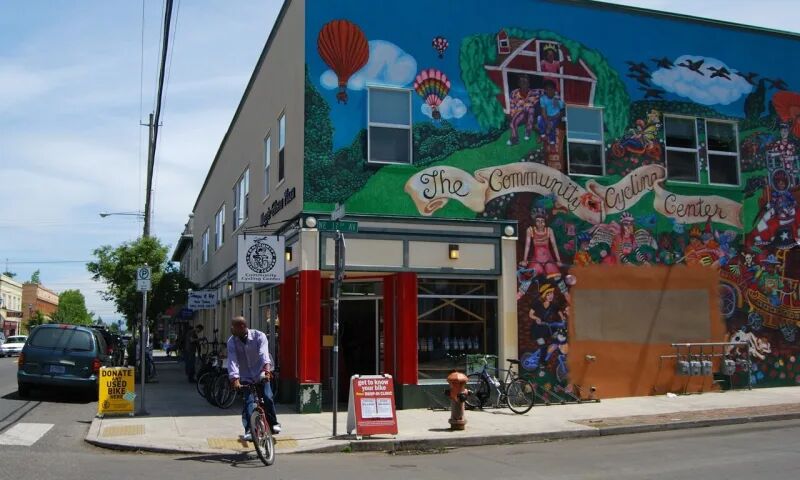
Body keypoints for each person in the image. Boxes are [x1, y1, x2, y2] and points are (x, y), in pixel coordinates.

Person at [228, 316, 281, 440]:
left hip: (261, 373)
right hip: (246, 375)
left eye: (233, 326)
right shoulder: (232, 341)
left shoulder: (259, 336)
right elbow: (232, 360)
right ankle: (248, 430)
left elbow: (264, 354)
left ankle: (273, 423)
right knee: (248, 402)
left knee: (267, 397)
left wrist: (266, 371)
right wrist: (234, 378)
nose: (231, 328)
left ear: (241, 326)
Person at [520, 208, 562, 278]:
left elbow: (554, 246)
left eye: (542, 221)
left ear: (545, 222)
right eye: (538, 221)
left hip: (548, 260)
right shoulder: (530, 230)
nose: (540, 224)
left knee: (556, 277)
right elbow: (527, 245)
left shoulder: (549, 230)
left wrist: (558, 260)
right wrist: (524, 260)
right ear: (534, 222)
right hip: (536, 260)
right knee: (529, 277)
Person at [506, 75, 540, 146]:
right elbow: (512, 104)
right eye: (521, 82)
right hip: (520, 113)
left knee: (530, 108)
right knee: (512, 123)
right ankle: (515, 138)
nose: (524, 84)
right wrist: (511, 114)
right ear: (518, 84)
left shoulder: (535, 92)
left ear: (529, 84)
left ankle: (528, 131)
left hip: (531, 113)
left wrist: (555, 98)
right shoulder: (514, 93)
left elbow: (550, 91)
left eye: (525, 82)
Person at [537, 80, 564, 146]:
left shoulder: (557, 99)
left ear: (554, 90)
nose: (549, 91)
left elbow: (561, 113)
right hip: (547, 116)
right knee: (539, 118)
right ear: (545, 91)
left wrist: (551, 119)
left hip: (556, 117)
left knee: (550, 128)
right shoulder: (543, 98)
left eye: (551, 89)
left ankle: (552, 141)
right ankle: (543, 135)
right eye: (547, 90)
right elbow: (543, 112)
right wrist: (547, 121)